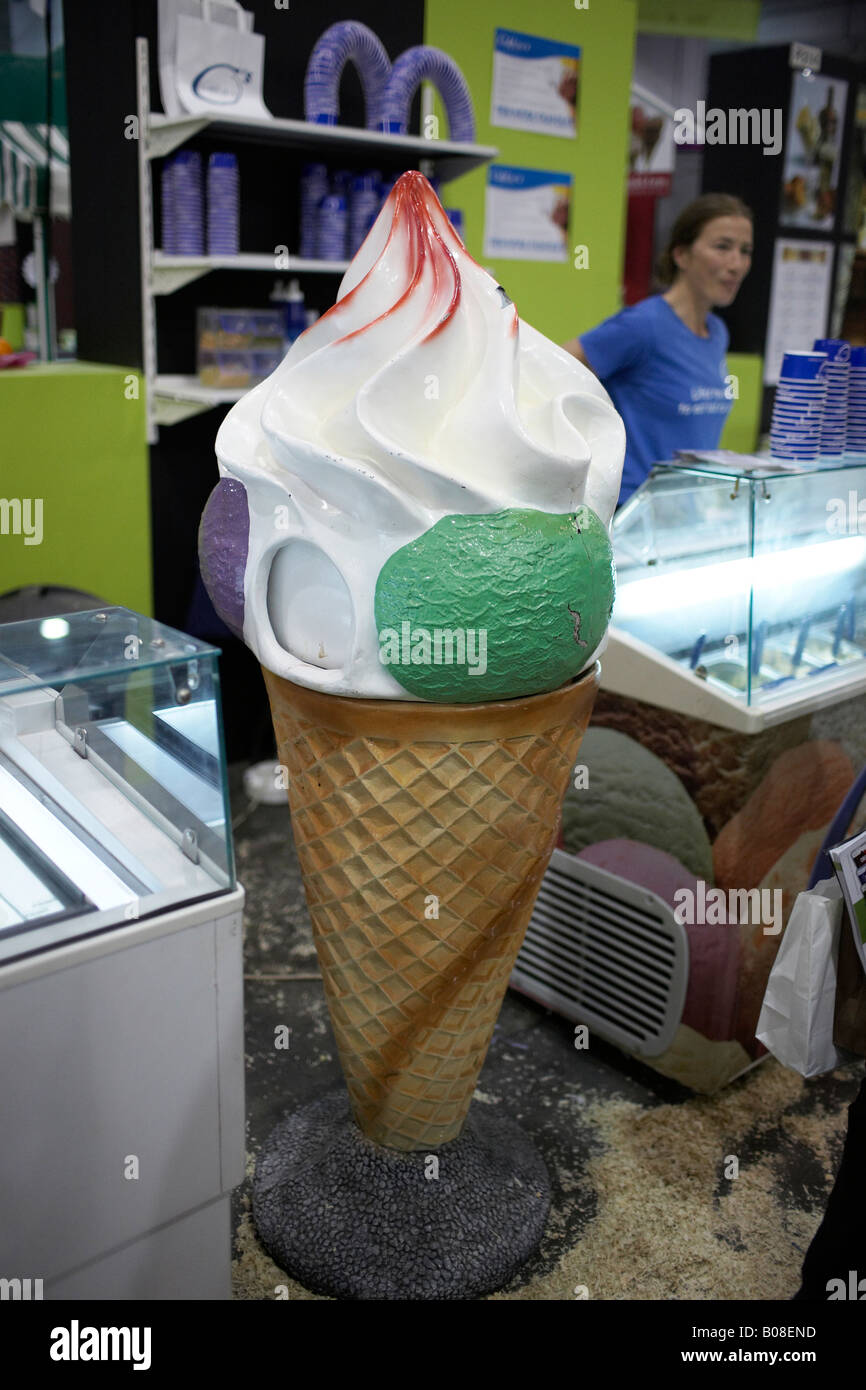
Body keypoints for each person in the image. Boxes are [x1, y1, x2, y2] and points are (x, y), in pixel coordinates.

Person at [563, 193, 753, 506]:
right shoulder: (643, 325)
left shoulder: (717, 333)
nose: (736, 264)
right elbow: (550, 370)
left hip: (687, 514)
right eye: (722, 247)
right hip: (632, 511)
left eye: (745, 251)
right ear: (681, 254)